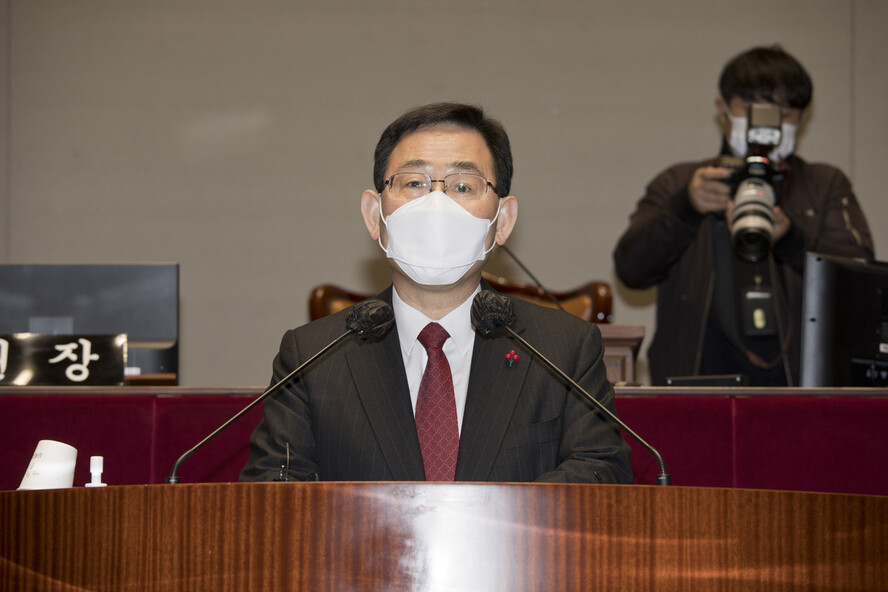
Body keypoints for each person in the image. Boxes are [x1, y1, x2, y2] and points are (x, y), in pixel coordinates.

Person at [241, 103, 632, 483]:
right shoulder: (312, 357)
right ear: (374, 215)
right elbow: (273, 495)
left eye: (463, 186)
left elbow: (601, 471)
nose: (437, 204)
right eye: (414, 183)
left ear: (503, 220)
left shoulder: (563, 350)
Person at [613, 46, 874, 387]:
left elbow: (865, 284)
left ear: (803, 117)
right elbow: (631, 270)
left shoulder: (824, 185)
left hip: (803, 394)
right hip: (695, 388)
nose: (768, 122)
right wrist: (685, 208)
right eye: (752, 108)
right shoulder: (680, 182)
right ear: (722, 108)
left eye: (784, 111)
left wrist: (794, 240)